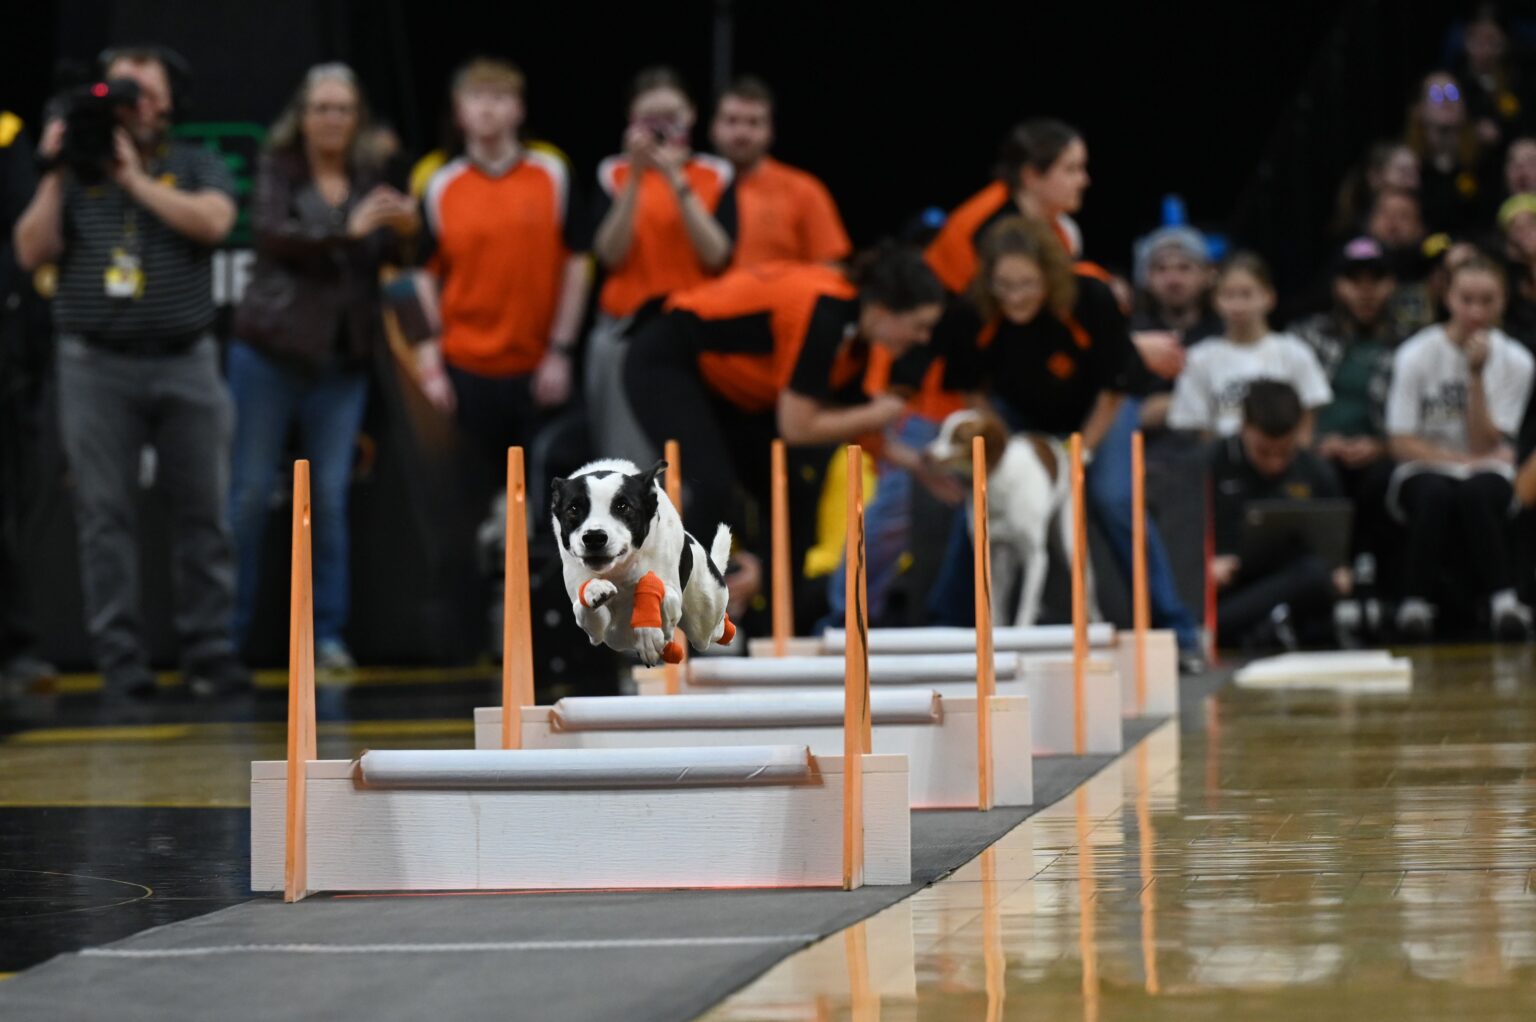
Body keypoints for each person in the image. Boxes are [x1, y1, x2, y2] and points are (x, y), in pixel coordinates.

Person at [13, 46, 243, 708]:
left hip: (186, 358)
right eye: (120, 91)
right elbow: (32, 251)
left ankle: (208, 652)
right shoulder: (73, 170)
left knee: (205, 512)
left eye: (143, 91)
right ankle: (121, 661)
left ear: (170, 102)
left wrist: (136, 179)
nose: (131, 103)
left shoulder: (193, 162)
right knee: (102, 517)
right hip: (95, 364)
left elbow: (216, 222)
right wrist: (56, 170)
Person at [622, 248, 944, 610]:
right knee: (712, 486)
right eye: (919, 326)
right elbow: (798, 426)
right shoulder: (826, 310)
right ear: (885, 311)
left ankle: (776, 627)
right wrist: (880, 413)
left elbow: (857, 426)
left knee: (795, 492)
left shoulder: (860, 338)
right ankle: (661, 616)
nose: (923, 339)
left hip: (733, 390)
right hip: (668, 358)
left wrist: (920, 466)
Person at [228, 63, 419, 671]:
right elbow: (274, 235)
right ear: (302, 116)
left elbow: (396, 257)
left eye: (343, 108)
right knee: (250, 496)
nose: (332, 119)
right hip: (269, 351)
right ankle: (224, 642)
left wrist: (411, 232)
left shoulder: (371, 174)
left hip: (342, 362)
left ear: (356, 117)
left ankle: (327, 637)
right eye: (321, 108)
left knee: (330, 502)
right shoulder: (277, 166)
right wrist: (345, 226)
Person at [413, 58, 588, 470]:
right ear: (459, 113)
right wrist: (428, 364)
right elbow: (413, 277)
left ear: (519, 110)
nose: (487, 108)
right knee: (471, 501)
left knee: (548, 501)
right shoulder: (438, 183)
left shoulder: (552, 173)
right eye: (476, 97)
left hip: (539, 366)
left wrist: (561, 351)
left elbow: (577, 264)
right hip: (464, 369)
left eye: (500, 97)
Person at [588, 67, 737, 466]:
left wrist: (675, 178)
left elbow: (717, 254)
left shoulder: (716, 174)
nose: (660, 128)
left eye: (669, 117)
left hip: (690, 333)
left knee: (688, 455)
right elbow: (608, 255)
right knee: (625, 460)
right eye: (648, 119)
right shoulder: (612, 173)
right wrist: (636, 177)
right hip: (625, 328)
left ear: (690, 115)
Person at [1386, 255, 1534, 639]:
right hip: (1425, 467)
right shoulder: (1415, 355)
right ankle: (1414, 606)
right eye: (1466, 299)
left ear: (1503, 301)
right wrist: (1460, 459)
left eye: (1487, 301)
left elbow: (1486, 440)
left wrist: (1475, 375)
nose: (1476, 311)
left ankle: (1505, 603)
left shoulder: (1517, 360)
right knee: (1434, 493)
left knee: (1476, 492)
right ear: (1447, 297)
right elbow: (1401, 441)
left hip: (1488, 469)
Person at [1288, 237, 1402, 638]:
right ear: (1337, 285)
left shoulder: (1406, 342)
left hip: (1385, 452)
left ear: (1392, 285)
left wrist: (1381, 445)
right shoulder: (1305, 336)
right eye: (1355, 280)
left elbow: (1413, 417)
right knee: (1320, 475)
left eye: (1377, 279)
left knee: (1385, 479)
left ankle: (1389, 594)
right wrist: (1317, 440)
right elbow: (1288, 402)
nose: (1366, 291)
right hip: (1318, 449)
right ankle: (1327, 591)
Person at [1210, 381, 1348, 649]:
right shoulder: (1211, 466)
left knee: (1315, 578)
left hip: (1299, 583)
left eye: (1284, 452)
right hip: (1232, 594)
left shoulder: (1315, 471)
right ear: (1244, 428)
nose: (1275, 462)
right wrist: (1205, 568)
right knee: (1311, 576)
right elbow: (1178, 538)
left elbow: (1336, 537)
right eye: (1263, 451)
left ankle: (1279, 628)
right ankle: (1273, 626)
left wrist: (1341, 568)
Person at [0, 110, 56, 695]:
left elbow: (24, 241)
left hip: (7, 349)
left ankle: (15, 646)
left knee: (6, 511)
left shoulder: (6, 131)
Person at [1168, 252, 1333, 439]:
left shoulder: (1293, 351)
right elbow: (1198, 427)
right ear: (1215, 301)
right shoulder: (1199, 357)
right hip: (1223, 458)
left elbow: (1308, 415)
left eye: (1247, 294)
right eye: (1228, 295)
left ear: (1269, 297)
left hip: (1282, 455)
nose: (1237, 305)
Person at [709, 76, 851, 268]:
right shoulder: (690, 187)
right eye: (731, 121)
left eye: (754, 123)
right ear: (713, 127)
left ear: (771, 130)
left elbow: (830, 267)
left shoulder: (803, 190)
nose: (742, 133)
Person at [1129, 224, 1221, 431]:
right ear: (1146, 279)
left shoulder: (1226, 332)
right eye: (1161, 269)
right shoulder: (1132, 335)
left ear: (1208, 274)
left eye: (1184, 268)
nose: (1173, 280)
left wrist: (1171, 405)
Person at [1404, 71, 1496, 233]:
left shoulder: (1484, 160)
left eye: (1452, 93)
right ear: (1419, 109)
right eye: (1436, 95)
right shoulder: (1409, 166)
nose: (1446, 101)